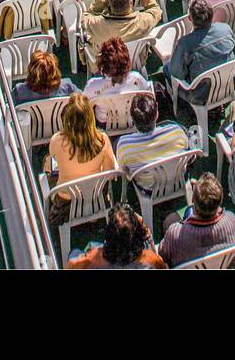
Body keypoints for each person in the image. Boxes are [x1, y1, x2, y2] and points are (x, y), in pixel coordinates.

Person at [45, 94, 117, 229]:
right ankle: (91, 214)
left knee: (47, 162)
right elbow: (111, 174)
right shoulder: (102, 140)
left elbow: (55, 165)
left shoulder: (56, 140)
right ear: (90, 117)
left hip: (65, 200)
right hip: (96, 196)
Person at [158, 171, 235, 267]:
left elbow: (163, 253)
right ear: (219, 202)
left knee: (169, 218)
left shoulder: (174, 234)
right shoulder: (231, 220)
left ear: (192, 200)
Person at [166, 0, 235, 102]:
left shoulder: (184, 44)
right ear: (212, 15)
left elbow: (176, 73)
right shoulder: (226, 29)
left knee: (167, 68)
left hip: (200, 96)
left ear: (190, 18)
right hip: (228, 84)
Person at [80, 0, 162, 62]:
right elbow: (156, 10)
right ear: (131, 4)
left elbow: (86, 16)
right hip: (133, 60)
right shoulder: (143, 21)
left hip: (104, 64)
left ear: (109, 3)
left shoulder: (96, 24)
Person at [114, 92, 188, 176]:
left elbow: (123, 170)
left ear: (132, 119)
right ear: (157, 115)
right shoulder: (177, 132)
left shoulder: (124, 146)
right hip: (177, 179)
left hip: (146, 187)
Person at [84, 36, 152, 119]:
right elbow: (148, 93)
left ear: (103, 63)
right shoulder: (136, 78)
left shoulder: (92, 85)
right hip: (131, 121)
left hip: (104, 125)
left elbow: (83, 105)